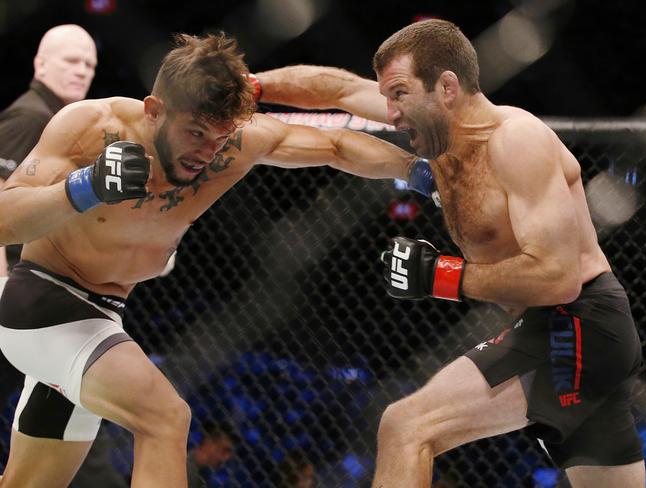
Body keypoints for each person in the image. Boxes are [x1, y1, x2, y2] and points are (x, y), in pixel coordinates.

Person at [0, 31, 425, 488]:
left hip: (103, 315)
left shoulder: (234, 146)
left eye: (219, 137)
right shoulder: (92, 126)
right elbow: (6, 219)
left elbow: (337, 146)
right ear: (154, 109)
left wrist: (415, 171)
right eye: (195, 132)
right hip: (41, 301)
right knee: (165, 418)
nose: (206, 152)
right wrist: (85, 187)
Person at [253, 19, 645, 488]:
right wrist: (251, 87)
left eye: (399, 94)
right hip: (560, 327)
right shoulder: (438, 135)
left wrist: (440, 275)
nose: (390, 112)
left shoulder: (515, 140)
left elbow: (557, 276)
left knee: (407, 426)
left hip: (577, 323)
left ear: (447, 87)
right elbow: (336, 89)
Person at [0, 24, 97, 276]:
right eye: (71, 61)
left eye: (89, 65)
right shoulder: (31, 117)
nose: (81, 71)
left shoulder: (56, 119)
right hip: (13, 270)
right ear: (40, 64)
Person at [187, 421, 237, 488]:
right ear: (209, 443)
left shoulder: (203, 475)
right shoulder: (184, 468)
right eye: (224, 451)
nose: (226, 458)